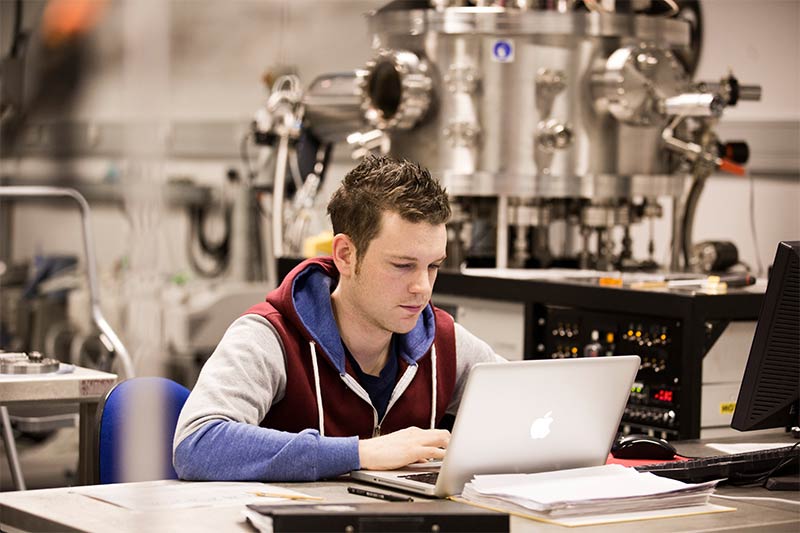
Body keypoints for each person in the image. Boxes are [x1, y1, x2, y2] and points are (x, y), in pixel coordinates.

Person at [173, 155, 504, 481]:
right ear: (346, 255)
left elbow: (532, 410)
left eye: (433, 266)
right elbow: (198, 444)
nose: (422, 288)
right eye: (402, 266)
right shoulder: (271, 336)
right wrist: (359, 454)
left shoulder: (444, 342)